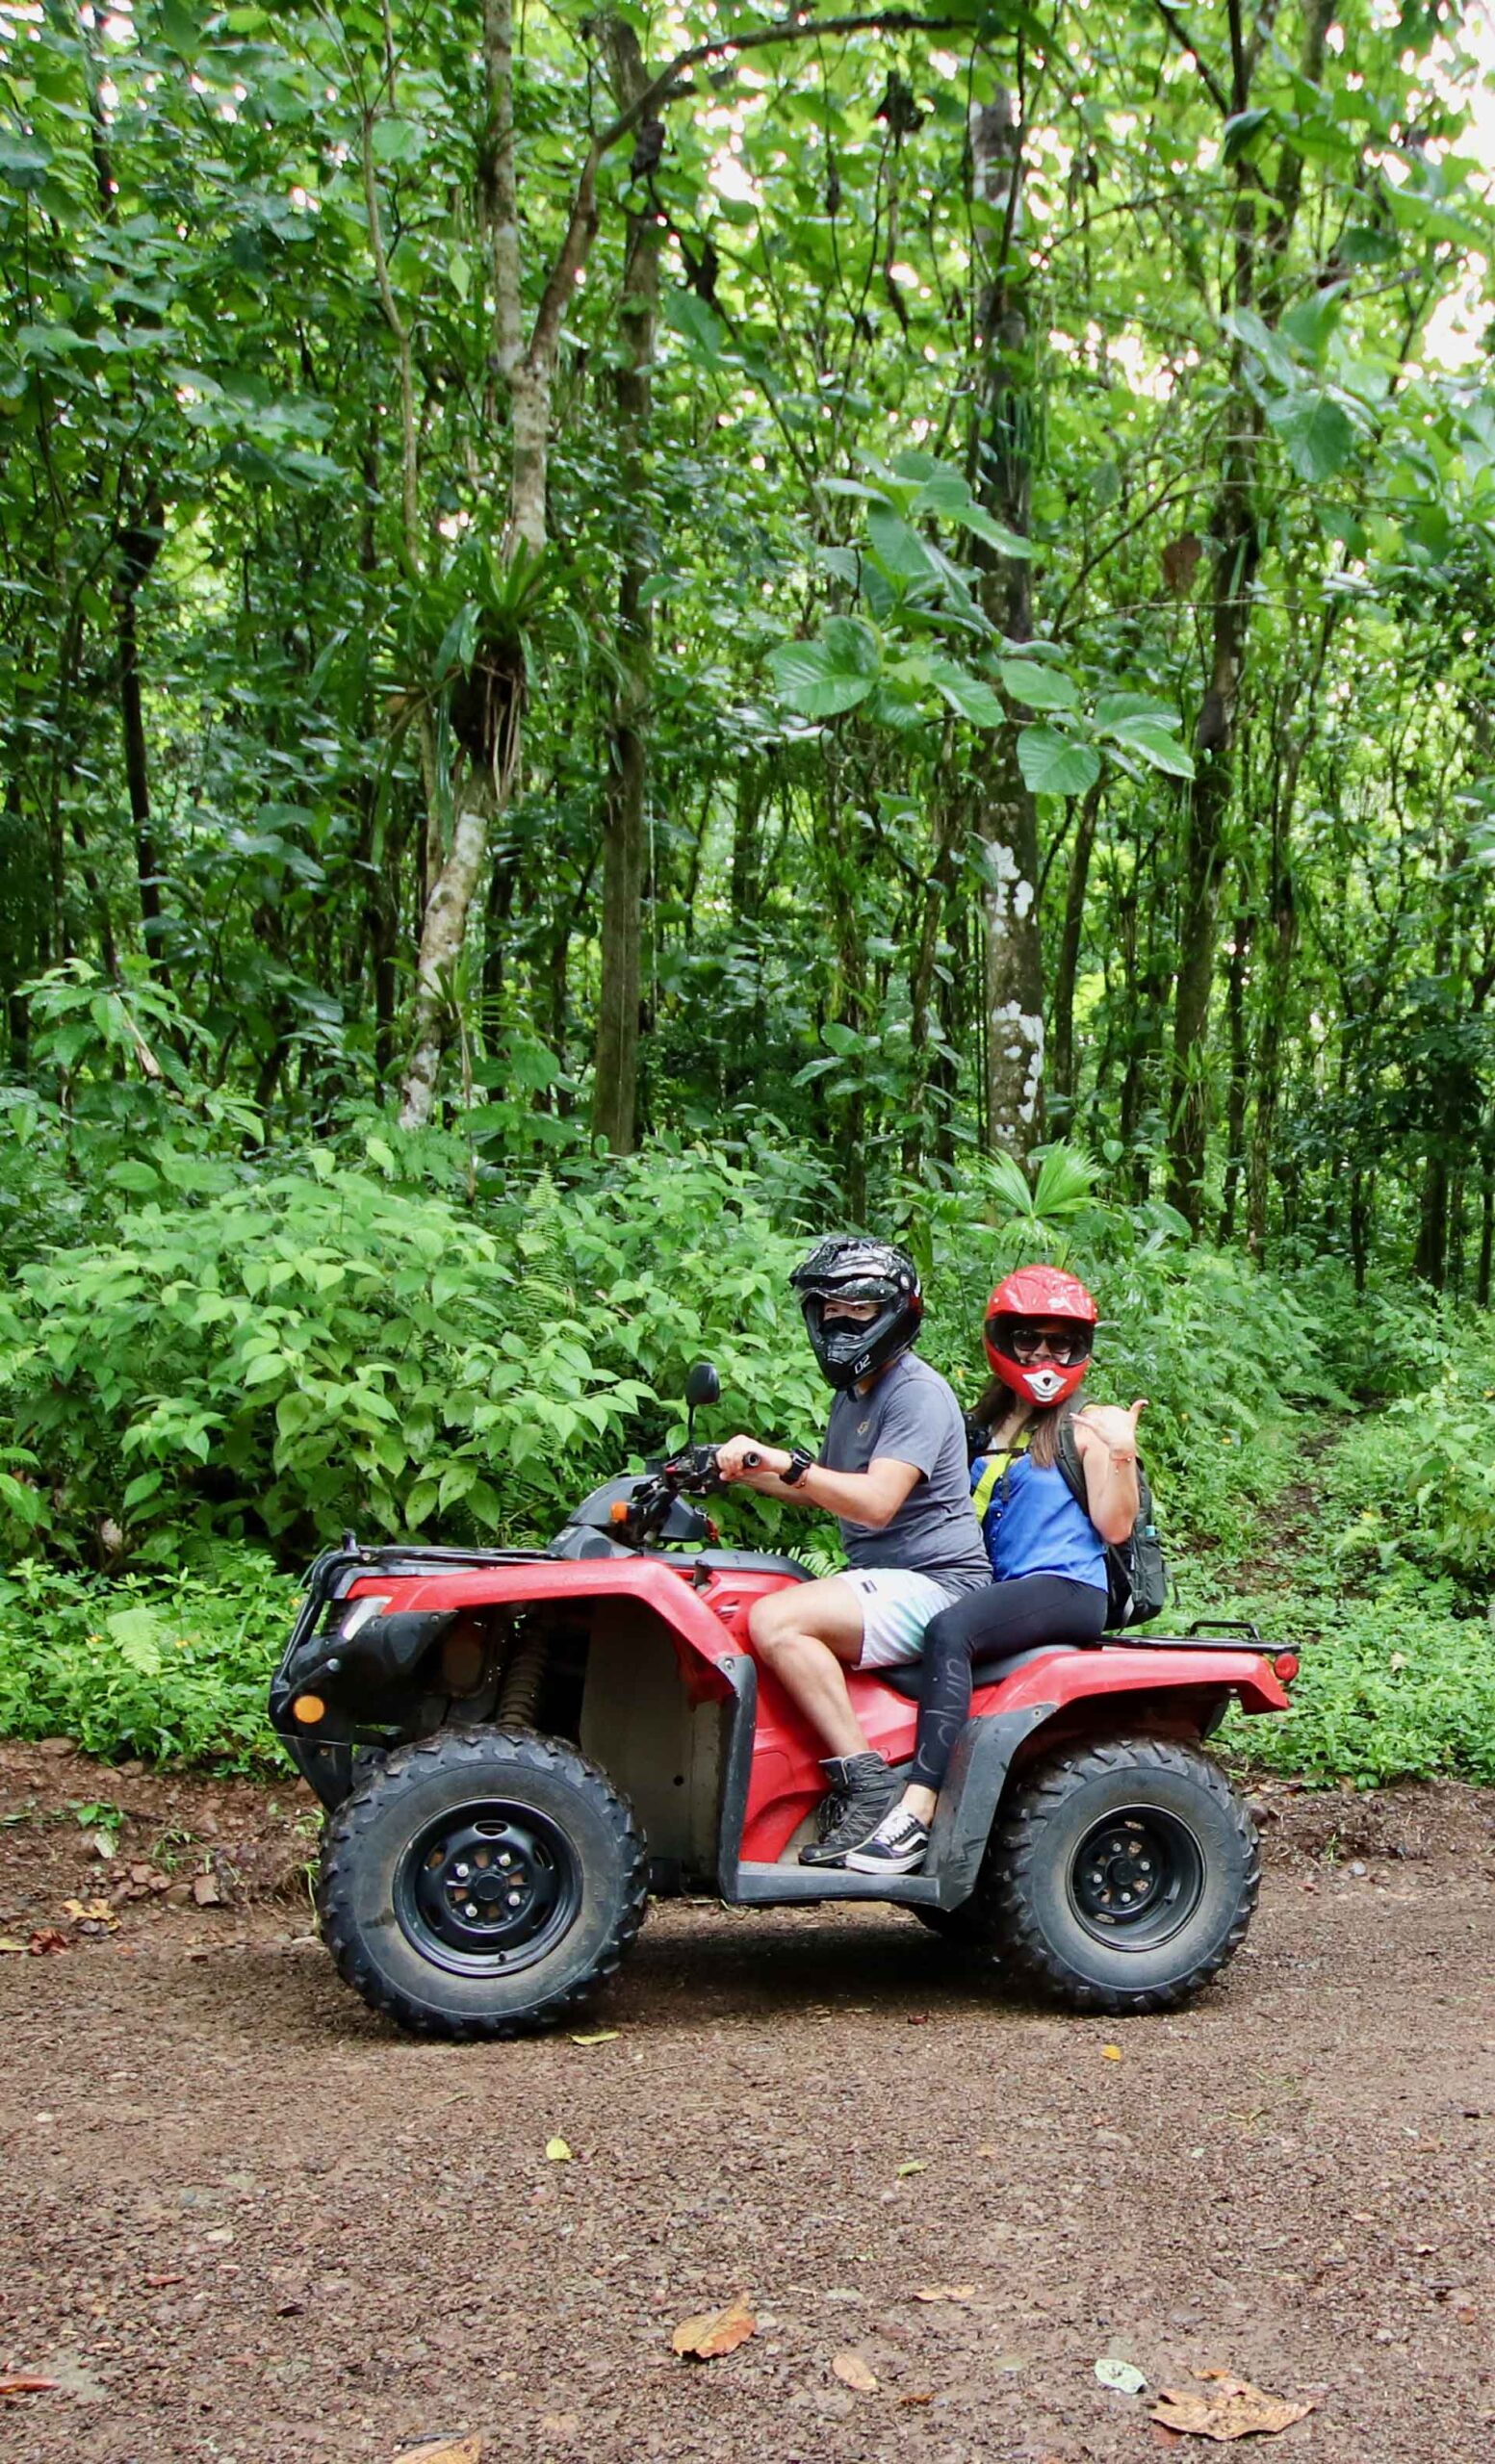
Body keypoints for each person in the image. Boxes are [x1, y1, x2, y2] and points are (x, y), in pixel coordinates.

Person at [844, 1264, 1147, 1876]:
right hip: (998, 1587)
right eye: (1029, 1339)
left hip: (1068, 1586)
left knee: (950, 1632)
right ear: (1004, 1342)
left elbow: (1116, 1527)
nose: (1043, 1353)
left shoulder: (1089, 1426)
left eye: (1059, 1342)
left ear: (1079, 1348)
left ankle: (916, 1812)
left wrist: (1120, 1451)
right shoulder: (981, 1427)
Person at [714, 1236, 992, 1866]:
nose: (840, 1321)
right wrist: (737, 1470)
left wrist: (784, 1463)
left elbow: (873, 1502)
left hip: (938, 1584)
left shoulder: (915, 1392)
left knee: (776, 1619)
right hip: (884, 1578)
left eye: (858, 1310)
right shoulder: (856, 1395)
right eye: (828, 1310)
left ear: (894, 1314)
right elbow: (822, 1493)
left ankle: (867, 1786)